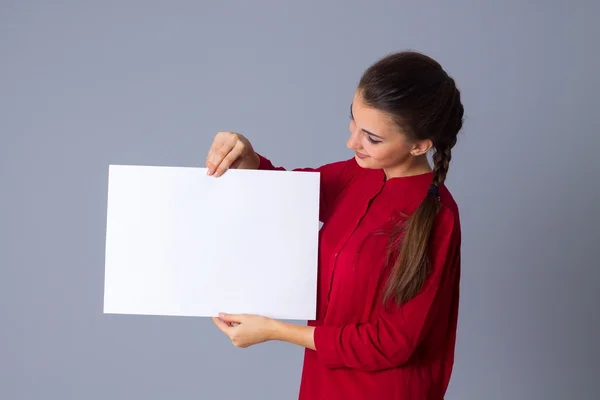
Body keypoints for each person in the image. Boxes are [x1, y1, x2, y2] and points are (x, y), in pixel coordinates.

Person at [207, 50, 464, 400]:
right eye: (353, 122)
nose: (352, 142)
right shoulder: (357, 174)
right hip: (322, 385)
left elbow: (393, 343)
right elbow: (287, 198)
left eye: (372, 138)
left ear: (420, 145)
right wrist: (247, 157)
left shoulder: (436, 217)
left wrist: (276, 330)